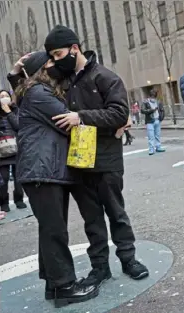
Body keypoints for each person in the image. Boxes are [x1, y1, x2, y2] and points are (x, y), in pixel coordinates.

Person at [43, 25, 148, 289]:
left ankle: (129, 259)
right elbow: (34, 83)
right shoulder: (62, 81)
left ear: (74, 48)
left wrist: (82, 117)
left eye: (58, 54)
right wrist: (17, 73)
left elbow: (119, 114)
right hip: (79, 162)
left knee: (116, 213)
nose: (55, 60)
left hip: (107, 160)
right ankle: (100, 268)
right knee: (92, 221)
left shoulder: (105, 77)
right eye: (52, 56)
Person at [13, 51, 99, 306]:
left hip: (45, 171)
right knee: (55, 231)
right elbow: (69, 120)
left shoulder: (34, 92)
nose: (56, 65)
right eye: (50, 62)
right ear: (42, 69)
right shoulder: (39, 94)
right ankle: (65, 287)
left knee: (51, 230)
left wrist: (16, 72)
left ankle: (54, 284)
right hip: (42, 171)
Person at [0, 90, 27, 212]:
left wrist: (9, 112)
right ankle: (3, 203)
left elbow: (18, 125)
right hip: (2, 151)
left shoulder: (15, 110)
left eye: (6, 96)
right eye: (1, 96)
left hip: (16, 148)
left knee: (18, 177)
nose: (4, 98)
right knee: (4, 179)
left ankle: (19, 200)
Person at [141, 90, 165, 155]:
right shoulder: (145, 102)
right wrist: (151, 110)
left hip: (157, 120)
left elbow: (162, 110)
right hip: (150, 121)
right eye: (152, 97)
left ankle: (158, 147)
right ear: (150, 96)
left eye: (154, 97)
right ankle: (151, 149)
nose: (153, 98)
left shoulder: (158, 102)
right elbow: (142, 110)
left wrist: (161, 117)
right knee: (151, 136)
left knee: (157, 135)